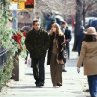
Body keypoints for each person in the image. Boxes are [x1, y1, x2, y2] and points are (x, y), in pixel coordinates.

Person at [25, 20, 49, 87]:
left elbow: (48, 42)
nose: (37, 26)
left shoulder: (44, 33)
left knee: (41, 66)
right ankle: (37, 79)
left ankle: (42, 81)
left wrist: (44, 49)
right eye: (36, 25)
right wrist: (31, 49)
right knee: (35, 67)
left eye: (38, 25)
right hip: (34, 53)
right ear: (33, 25)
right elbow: (27, 43)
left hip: (42, 53)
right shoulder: (30, 33)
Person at [77, 27, 97, 97]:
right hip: (96, 63)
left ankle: (93, 94)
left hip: (88, 64)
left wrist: (78, 66)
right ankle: (94, 93)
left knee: (90, 80)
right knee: (95, 80)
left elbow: (82, 55)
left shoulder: (84, 43)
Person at [47, 23, 65, 87]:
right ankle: (54, 83)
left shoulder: (61, 35)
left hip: (58, 54)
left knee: (59, 68)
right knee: (52, 68)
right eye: (52, 27)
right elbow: (48, 45)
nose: (52, 28)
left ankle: (59, 82)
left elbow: (63, 46)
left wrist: (62, 48)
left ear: (57, 28)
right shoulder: (50, 35)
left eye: (54, 27)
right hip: (52, 54)